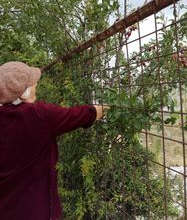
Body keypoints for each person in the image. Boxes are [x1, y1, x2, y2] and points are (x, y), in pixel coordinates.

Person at [0, 61, 109, 220]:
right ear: (23, 91)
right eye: (32, 83)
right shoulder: (39, 115)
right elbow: (81, 115)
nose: (36, 84)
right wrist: (107, 107)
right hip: (35, 209)